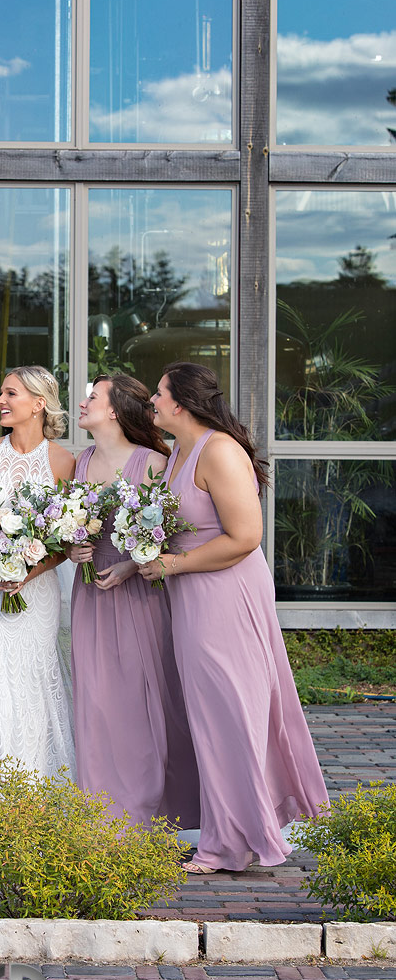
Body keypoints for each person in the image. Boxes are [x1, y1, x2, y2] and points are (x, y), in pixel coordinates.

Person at [138, 362, 329, 873]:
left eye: (157, 393)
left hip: (226, 595)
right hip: (191, 597)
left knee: (230, 711)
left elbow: (245, 537)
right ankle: (229, 831)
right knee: (209, 715)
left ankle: (234, 840)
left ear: (179, 402)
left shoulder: (219, 450)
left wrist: (172, 563)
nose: (151, 401)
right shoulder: (177, 452)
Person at [68, 374, 200, 829]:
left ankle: (151, 809)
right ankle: (103, 811)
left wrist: (130, 565)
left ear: (115, 411)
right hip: (90, 594)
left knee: (146, 699)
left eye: (92, 397)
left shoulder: (152, 464)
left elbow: (174, 536)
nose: (83, 403)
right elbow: (67, 528)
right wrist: (74, 549)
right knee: (97, 701)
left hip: (139, 593)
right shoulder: (79, 462)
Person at [0, 365, 76, 792]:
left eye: (11, 394)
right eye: (1, 393)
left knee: (33, 690)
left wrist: (28, 572)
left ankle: (37, 804)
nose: (0, 401)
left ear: (39, 404)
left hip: (36, 593)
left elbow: (66, 538)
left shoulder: (64, 462)